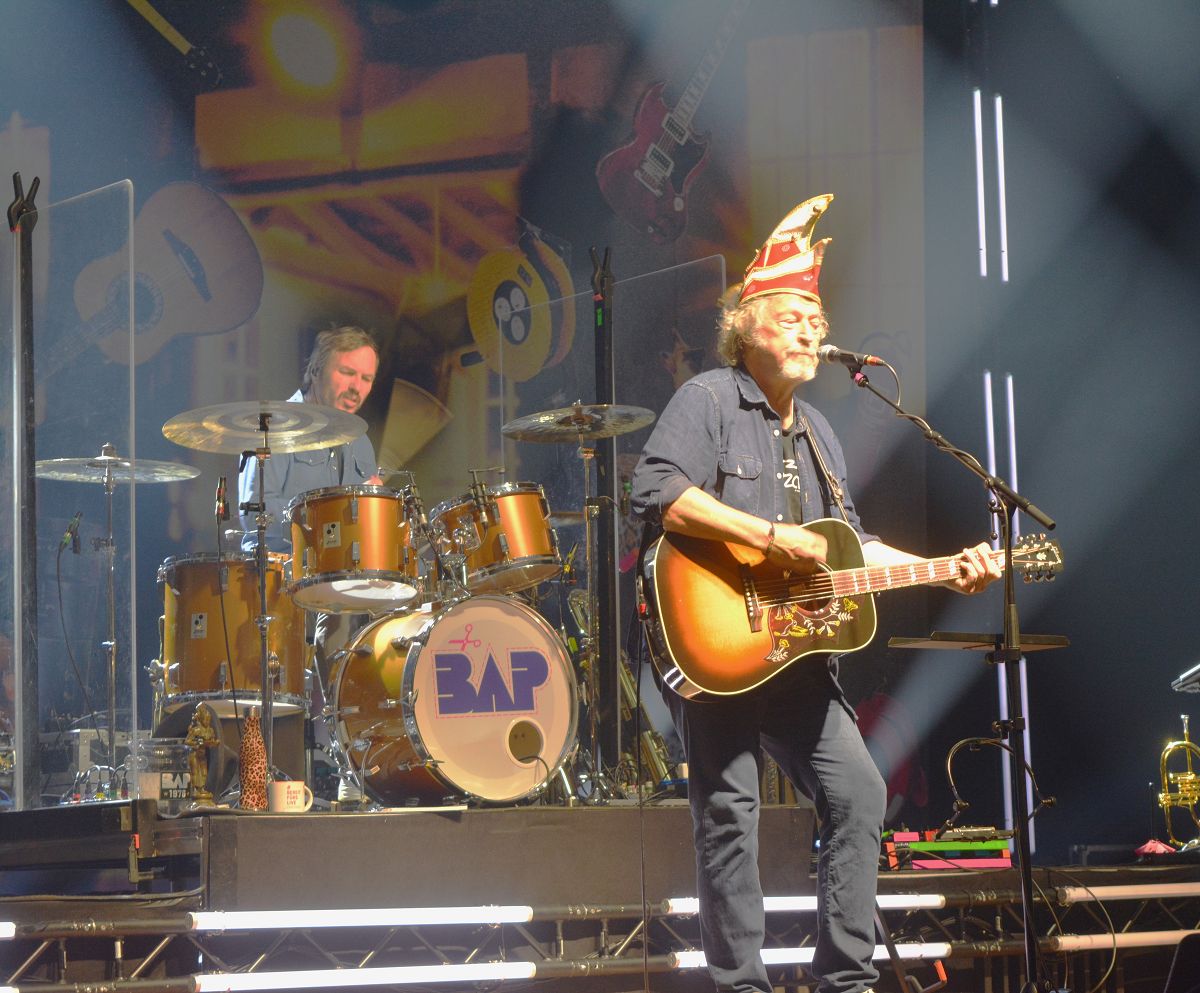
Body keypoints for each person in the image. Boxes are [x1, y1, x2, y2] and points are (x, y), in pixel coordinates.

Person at [629, 194, 1001, 993]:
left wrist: (947, 566)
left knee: (860, 791)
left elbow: (854, 547)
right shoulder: (709, 400)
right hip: (722, 644)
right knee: (730, 813)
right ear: (747, 321)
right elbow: (658, 492)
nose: (811, 328)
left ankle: (846, 980)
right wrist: (767, 537)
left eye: (817, 316)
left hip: (796, 659)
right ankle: (742, 985)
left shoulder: (821, 435)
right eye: (795, 312)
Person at [237, 325, 383, 797]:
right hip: (279, 570)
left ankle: (355, 765)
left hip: (334, 582)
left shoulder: (359, 441)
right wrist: (319, 523)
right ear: (319, 369)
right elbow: (254, 516)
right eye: (347, 372)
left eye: (366, 377)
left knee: (368, 628)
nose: (356, 386)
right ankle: (264, 773)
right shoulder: (273, 426)